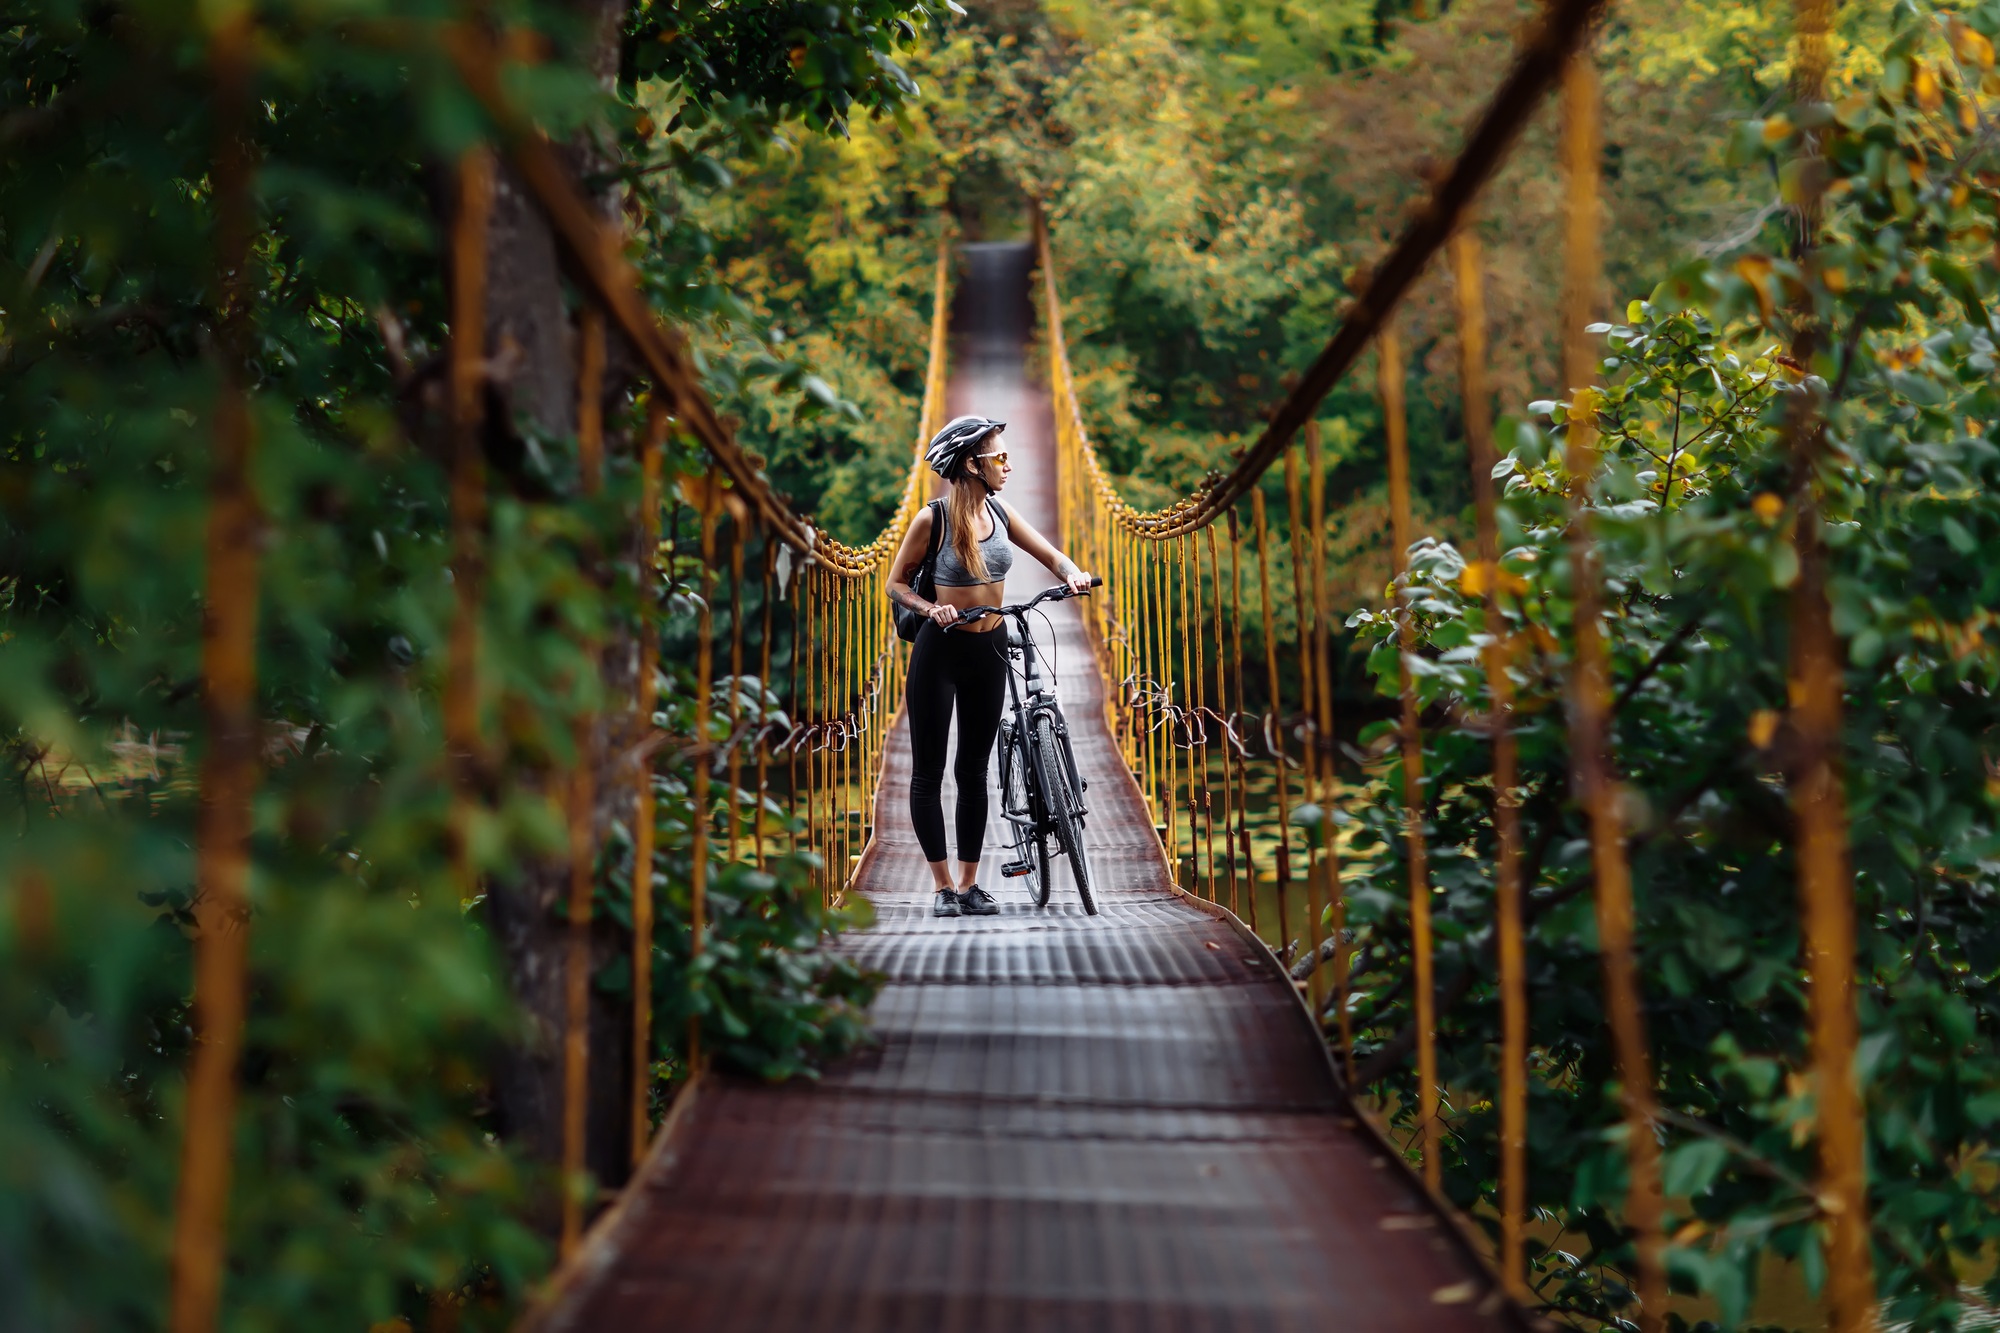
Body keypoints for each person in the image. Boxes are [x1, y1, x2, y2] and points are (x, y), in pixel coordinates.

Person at [887, 415, 1095, 918]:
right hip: (940, 650)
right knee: (929, 773)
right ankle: (942, 890)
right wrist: (927, 607)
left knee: (974, 770)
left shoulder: (1000, 512)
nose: (1008, 464)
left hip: (990, 647)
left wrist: (1074, 573)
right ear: (971, 465)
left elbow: (1049, 553)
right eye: (999, 457)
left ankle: (969, 884)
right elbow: (896, 583)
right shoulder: (930, 520)